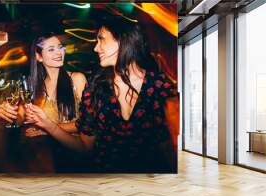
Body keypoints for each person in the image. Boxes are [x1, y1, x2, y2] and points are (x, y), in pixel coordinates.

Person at [26, 19, 179, 173]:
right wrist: (49, 126)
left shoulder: (161, 87)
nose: (95, 48)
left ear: (122, 40)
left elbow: (171, 146)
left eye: (101, 39)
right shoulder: (97, 88)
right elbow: (85, 147)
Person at [0, 33, 87, 172]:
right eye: (51, 49)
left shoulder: (77, 79)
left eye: (60, 47)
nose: (58, 52)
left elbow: (87, 124)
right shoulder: (36, 88)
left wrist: (47, 129)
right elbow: (21, 117)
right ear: (39, 57)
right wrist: (9, 113)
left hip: (74, 155)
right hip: (49, 157)